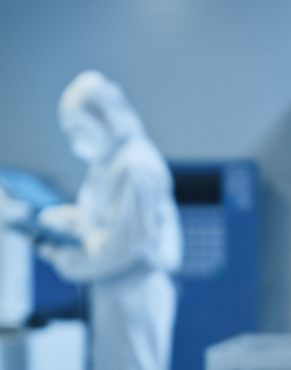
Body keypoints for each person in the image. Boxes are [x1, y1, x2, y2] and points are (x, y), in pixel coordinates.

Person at [37, 70, 182, 370]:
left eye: (79, 128)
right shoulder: (111, 162)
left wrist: (62, 256)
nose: (76, 139)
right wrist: (69, 219)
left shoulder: (134, 167)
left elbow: (119, 248)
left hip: (133, 297)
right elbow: (105, 220)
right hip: (116, 295)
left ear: (102, 118)